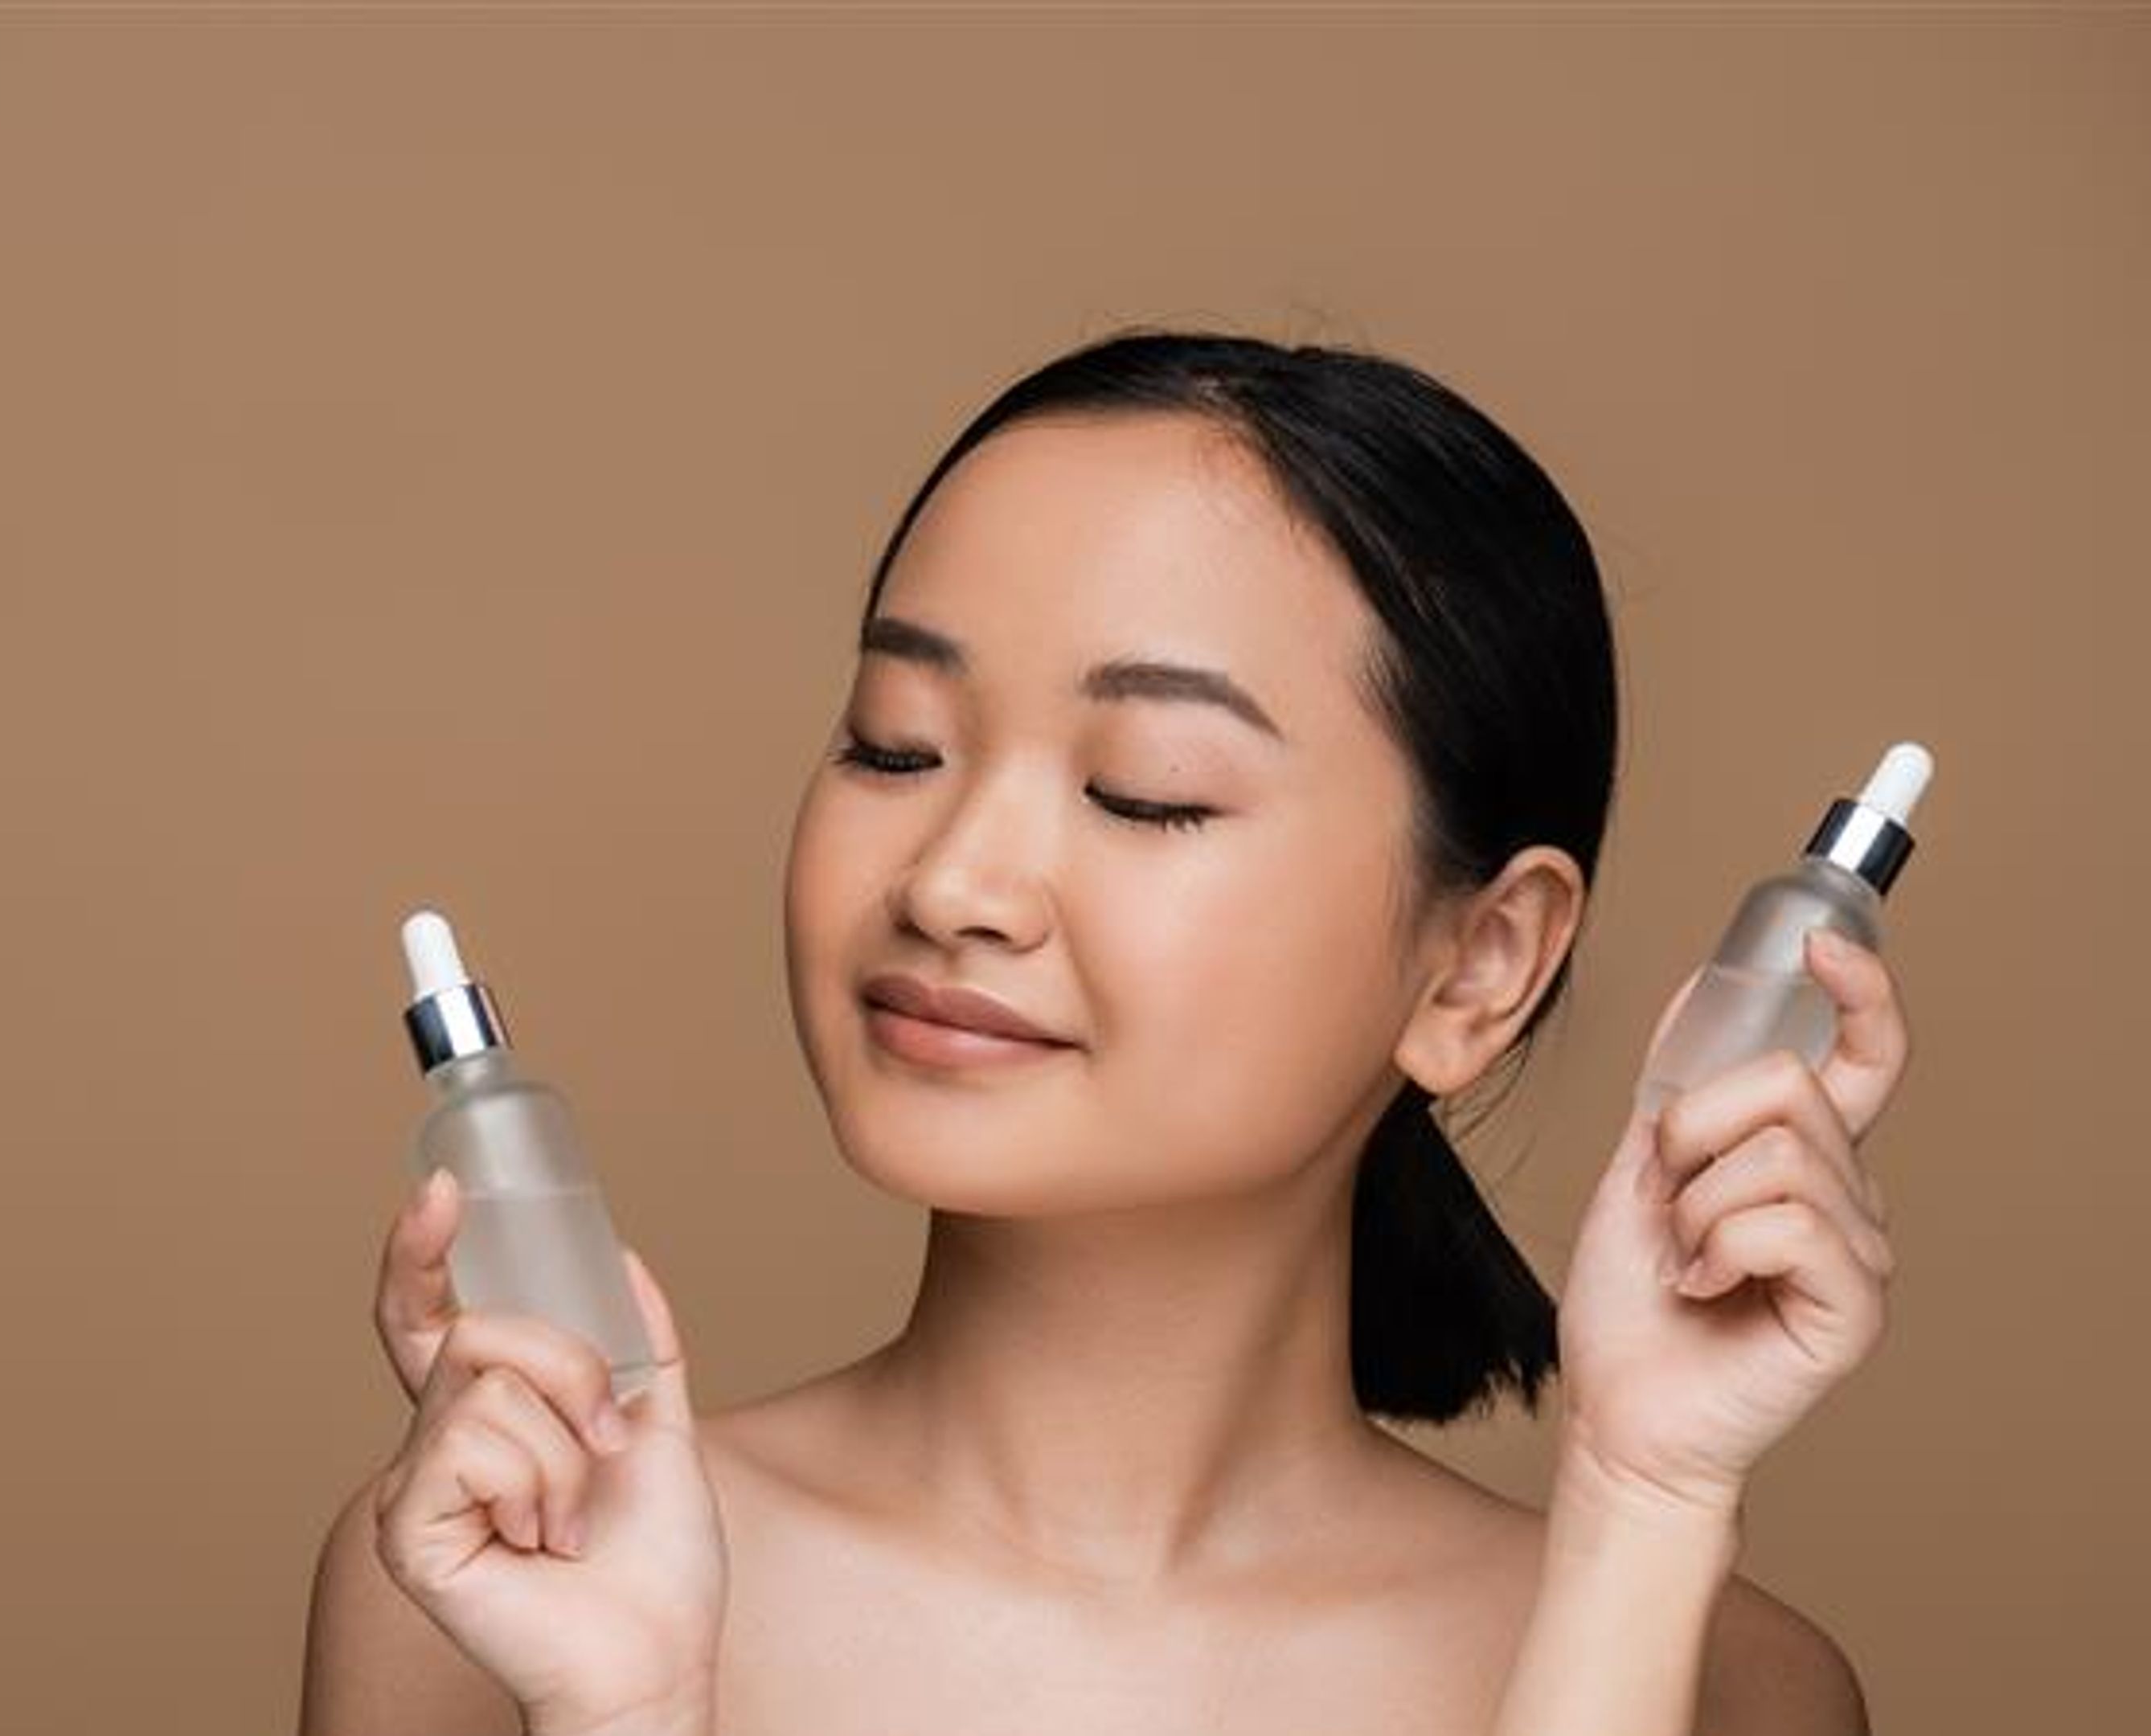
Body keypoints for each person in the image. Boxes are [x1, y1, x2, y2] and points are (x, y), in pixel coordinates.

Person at [302, 329, 1907, 1736]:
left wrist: (1644, 1509)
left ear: (1478, 966)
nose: (953, 882)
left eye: (1144, 787)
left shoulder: (1734, 1688)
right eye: (895, 746)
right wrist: (625, 1712)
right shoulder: (493, 1584)